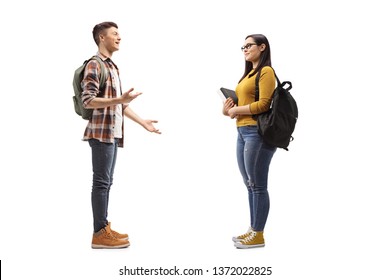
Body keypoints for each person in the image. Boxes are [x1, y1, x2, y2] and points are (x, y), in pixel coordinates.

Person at [81, 21, 161, 249]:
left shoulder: (112, 67)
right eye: (115, 34)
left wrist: (143, 122)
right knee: (101, 182)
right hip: (100, 133)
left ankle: (103, 227)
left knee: (106, 182)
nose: (119, 37)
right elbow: (89, 100)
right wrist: (119, 100)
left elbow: (119, 105)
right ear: (101, 38)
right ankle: (99, 234)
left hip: (113, 133)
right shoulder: (95, 65)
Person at [222, 34, 276, 249]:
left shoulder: (266, 71)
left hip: (257, 133)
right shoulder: (247, 75)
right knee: (250, 184)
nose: (245, 49)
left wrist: (237, 109)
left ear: (262, 47)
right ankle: (252, 230)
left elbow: (264, 104)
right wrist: (228, 110)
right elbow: (241, 106)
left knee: (258, 185)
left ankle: (258, 234)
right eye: (242, 46)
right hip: (242, 132)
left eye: (249, 45)